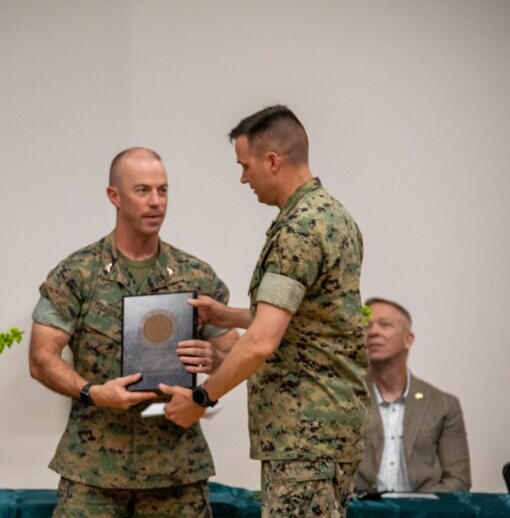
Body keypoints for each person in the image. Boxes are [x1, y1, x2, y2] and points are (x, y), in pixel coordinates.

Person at [161, 105, 369, 517]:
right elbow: (310, 317)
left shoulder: (299, 231)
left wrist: (201, 398)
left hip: (305, 440)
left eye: (245, 166)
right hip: (328, 432)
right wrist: (231, 316)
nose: (243, 178)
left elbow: (260, 343)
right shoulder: (333, 217)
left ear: (273, 161)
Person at [29, 147, 238, 517]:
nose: (156, 202)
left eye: (163, 190)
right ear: (114, 196)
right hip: (93, 470)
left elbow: (234, 353)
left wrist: (213, 362)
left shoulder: (196, 275)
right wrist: (93, 393)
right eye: (143, 191)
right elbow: (41, 359)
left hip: (177, 470)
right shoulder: (77, 273)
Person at [354, 297, 471, 493]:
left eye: (385, 325)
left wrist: (417, 508)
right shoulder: (346, 399)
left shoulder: (443, 405)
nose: (373, 332)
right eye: (366, 326)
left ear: (408, 339)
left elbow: (458, 480)